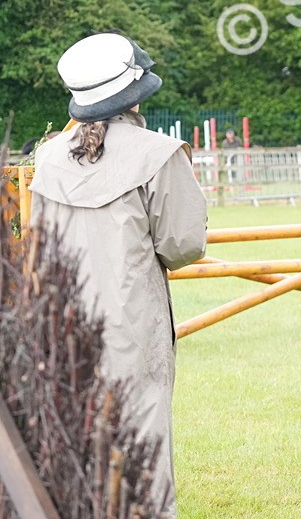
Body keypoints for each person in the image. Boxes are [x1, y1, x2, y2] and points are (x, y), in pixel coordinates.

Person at [29, 33, 208, 517]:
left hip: (60, 327)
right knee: (141, 435)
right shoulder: (160, 154)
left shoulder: (47, 157)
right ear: (135, 94)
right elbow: (184, 244)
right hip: (131, 324)